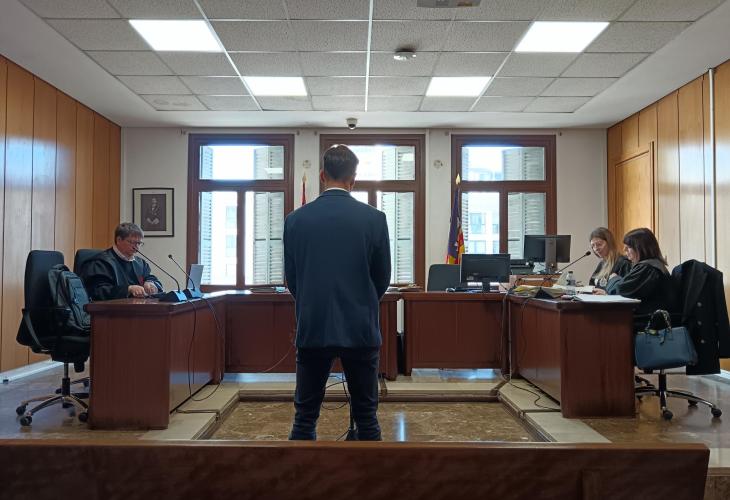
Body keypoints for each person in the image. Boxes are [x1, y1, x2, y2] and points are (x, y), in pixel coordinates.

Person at [284, 144, 391, 441]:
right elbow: (382, 278)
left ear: (322, 175)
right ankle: (369, 471)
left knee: (304, 418)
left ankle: (300, 470)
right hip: (360, 328)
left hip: (313, 325)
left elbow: (293, 279)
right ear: (353, 179)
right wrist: (361, 300)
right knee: (367, 417)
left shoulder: (295, 220)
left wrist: (312, 301)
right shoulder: (374, 219)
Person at [603, 227, 676, 318]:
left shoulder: (648, 268)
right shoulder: (651, 265)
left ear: (641, 248)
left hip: (647, 320)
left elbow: (622, 290)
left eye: (629, 247)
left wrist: (614, 279)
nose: (625, 251)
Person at [80, 222, 163, 301]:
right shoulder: (100, 262)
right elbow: (98, 291)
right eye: (132, 242)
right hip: (111, 309)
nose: (136, 247)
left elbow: (149, 277)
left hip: (138, 307)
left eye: (139, 243)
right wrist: (128, 289)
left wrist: (150, 283)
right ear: (119, 240)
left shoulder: (141, 263)